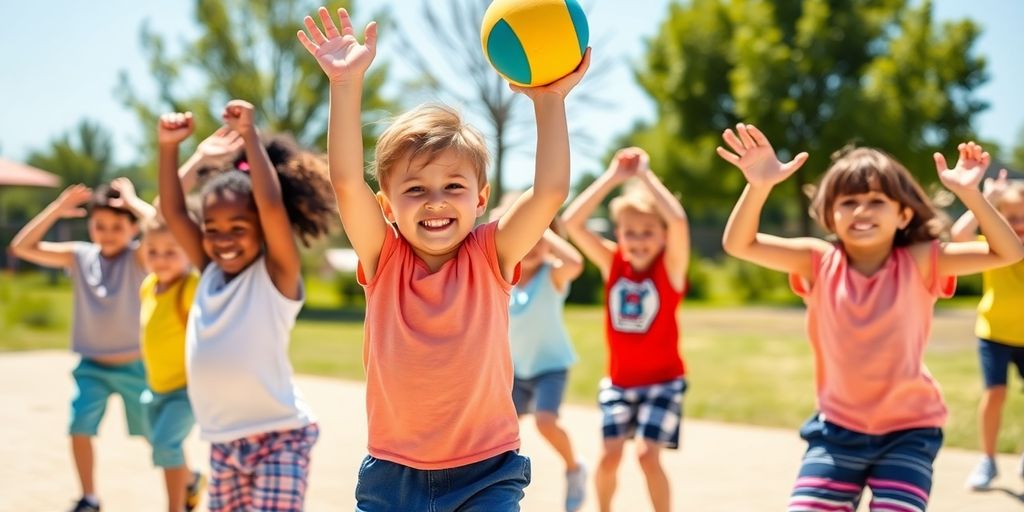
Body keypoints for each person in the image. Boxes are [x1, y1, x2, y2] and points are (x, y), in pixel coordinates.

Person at [297, 6, 588, 510]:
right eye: (415, 189)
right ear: (387, 206)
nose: (435, 200)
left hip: (486, 472)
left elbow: (548, 192)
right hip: (393, 475)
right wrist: (344, 85)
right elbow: (346, 181)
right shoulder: (383, 257)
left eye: (454, 186)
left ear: (480, 199)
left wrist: (550, 101)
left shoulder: (490, 255)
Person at [717, 124, 1024, 511]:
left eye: (876, 201)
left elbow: (1008, 253)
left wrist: (970, 195)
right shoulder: (817, 261)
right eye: (847, 202)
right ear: (830, 215)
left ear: (903, 214)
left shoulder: (921, 260)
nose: (861, 210)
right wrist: (758, 186)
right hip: (835, 433)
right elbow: (739, 244)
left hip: (909, 432)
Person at [157, 99, 335, 511]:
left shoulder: (276, 276)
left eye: (238, 228)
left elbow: (270, 205)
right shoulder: (209, 274)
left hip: (280, 439)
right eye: (213, 229)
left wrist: (250, 135)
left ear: (262, 231)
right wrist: (168, 147)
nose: (223, 239)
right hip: (222, 442)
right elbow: (171, 210)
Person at [10, 178, 156, 512]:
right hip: (92, 367)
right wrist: (57, 210)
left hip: (136, 366)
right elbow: (22, 247)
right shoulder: (79, 256)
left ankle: (186, 477)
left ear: (133, 229)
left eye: (117, 226)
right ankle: (89, 497)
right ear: (89, 226)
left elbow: (164, 229)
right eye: (100, 226)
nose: (107, 233)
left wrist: (133, 202)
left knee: (156, 435)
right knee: (79, 427)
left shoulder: (140, 258)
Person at [561, 147, 690, 512]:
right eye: (629, 232)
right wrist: (613, 178)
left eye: (648, 231)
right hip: (619, 383)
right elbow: (572, 222)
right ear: (618, 234)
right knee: (609, 457)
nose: (638, 239)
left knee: (648, 454)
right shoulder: (613, 262)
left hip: (664, 381)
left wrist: (645, 176)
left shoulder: (670, 268)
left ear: (662, 236)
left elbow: (678, 222)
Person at [507, 217, 588, 511]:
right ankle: (499, 483)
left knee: (545, 422)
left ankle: (574, 468)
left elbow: (576, 263)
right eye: (524, 240)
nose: (530, 247)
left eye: (538, 240)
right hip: (515, 371)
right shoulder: (505, 278)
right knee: (502, 432)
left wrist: (539, 225)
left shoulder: (552, 275)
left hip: (550, 368)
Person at [951, 169, 1024, 490]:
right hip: (993, 331)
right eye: (1009, 217)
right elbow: (959, 235)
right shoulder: (995, 247)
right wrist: (989, 197)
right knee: (995, 393)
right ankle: (988, 460)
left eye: (1023, 216)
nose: (1017, 223)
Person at [138, 214, 206, 512]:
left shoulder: (190, 286)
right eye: (153, 251)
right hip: (155, 387)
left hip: (185, 389)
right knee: (162, 447)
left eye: (171, 251)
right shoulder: (148, 285)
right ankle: (191, 481)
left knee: (167, 446)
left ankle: (175, 507)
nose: (160, 259)